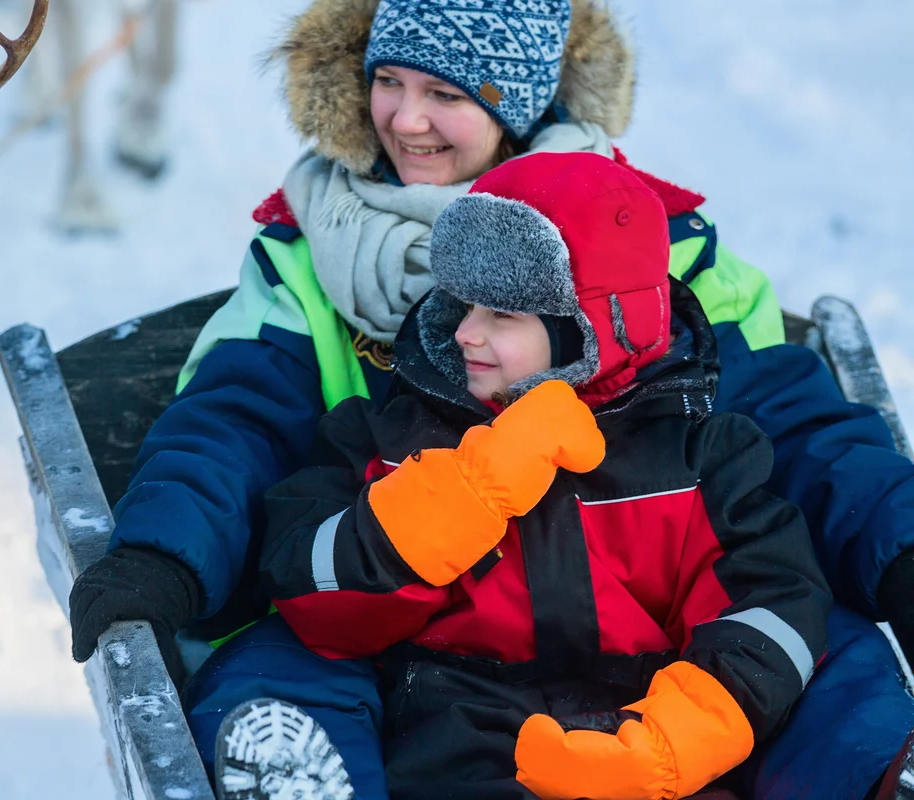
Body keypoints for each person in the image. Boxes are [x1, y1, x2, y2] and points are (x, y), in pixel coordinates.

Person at [68, 1, 914, 796]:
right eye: (387, 81)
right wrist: (164, 552)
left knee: (820, 646)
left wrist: (901, 545)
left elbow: (795, 425)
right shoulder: (306, 258)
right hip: (400, 607)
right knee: (285, 659)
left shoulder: (651, 246)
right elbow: (233, 424)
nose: (403, 119)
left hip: (646, 604)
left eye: (446, 93)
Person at [240, 151, 832, 799]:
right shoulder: (392, 435)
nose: (465, 332)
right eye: (463, 304)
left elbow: (773, 606)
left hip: (647, 736)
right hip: (461, 740)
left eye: (502, 316)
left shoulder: (700, 457)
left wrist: (668, 746)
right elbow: (308, 584)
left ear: (592, 329)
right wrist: (463, 493)